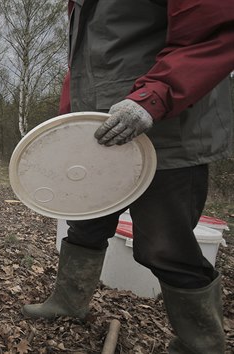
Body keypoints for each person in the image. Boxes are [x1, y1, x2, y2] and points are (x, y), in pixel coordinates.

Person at [22, 1, 234, 353]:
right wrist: (64, 127)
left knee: (165, 246)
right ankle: (69, 302)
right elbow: (84, 66)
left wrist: (153, 97)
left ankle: (201, 344)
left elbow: (212, 32)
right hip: (99, 128)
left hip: (168, 129)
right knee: (86, 223)